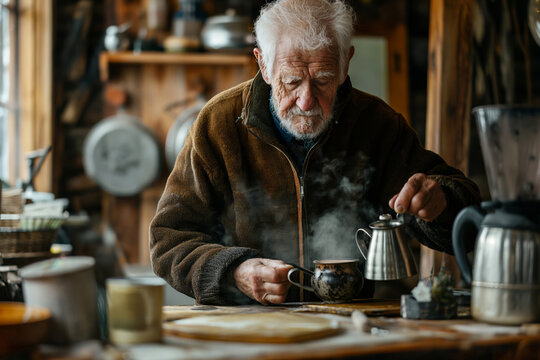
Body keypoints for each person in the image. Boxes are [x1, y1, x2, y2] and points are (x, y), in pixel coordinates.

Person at [149, 0, 480, 305]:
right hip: (247, 326)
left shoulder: (377, 124)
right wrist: (235, 272)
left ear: (345, 62)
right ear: (263, 64)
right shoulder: (218, 125)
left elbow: (467, 219)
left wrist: (440, 203)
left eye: (323, 80)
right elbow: (169, 242)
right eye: (292, 82)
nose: (306, 102)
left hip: (357, 323)